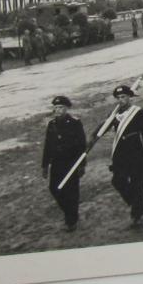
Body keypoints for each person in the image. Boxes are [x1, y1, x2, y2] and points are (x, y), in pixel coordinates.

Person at [107, 85, 143, 228]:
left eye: (124, 97)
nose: (121, 100)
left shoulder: (137, 112)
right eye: (119, 98)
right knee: (117, 180)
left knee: (137, 183)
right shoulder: (114, 114)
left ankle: (137, 216)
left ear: (129, 97)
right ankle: (135, 203)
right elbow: (104, 127)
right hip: (120, 153)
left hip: (135, 151)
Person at [41, 96, 87, 232]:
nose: (58, 110)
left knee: (72, 192)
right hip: (56, 163)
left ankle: (71, 221)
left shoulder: (75, 123)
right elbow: (48, 146)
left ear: (67, 108)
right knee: (54, 189)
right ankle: (70, 213)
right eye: (55, 107)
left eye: (61, 107)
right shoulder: (51, 124)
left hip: (71, 162)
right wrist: (45, 166)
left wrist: (82, 164)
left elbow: (81, 145)